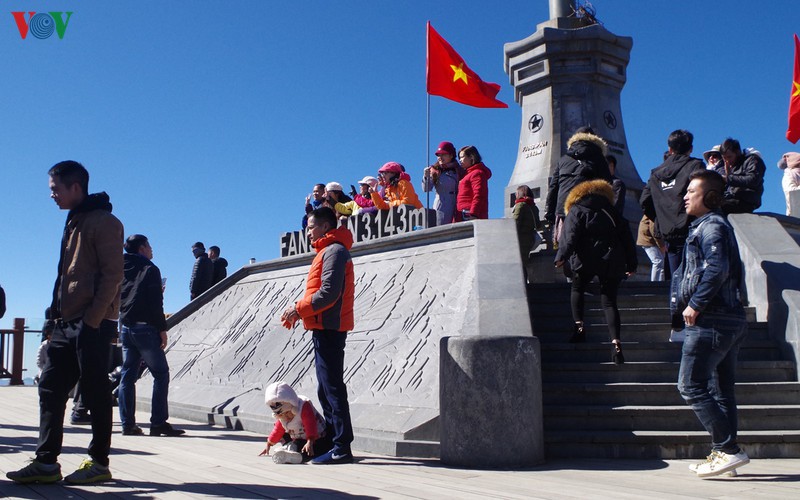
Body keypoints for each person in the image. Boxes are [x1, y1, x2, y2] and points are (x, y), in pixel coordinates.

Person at [7, 160, 123, 485]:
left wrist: (92, 319)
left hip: (93, 323)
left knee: (96, 391)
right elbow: (64, 276)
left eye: (55, 189)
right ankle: (46, 462)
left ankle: (98, 462)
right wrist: (50, 319)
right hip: (64, 322)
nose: (52, 196)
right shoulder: (74, 220)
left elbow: (113, 275)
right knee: (50, 386)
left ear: (76, 187)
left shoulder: (105, 222)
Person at [673, 170, 749, 478]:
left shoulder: (712, 226)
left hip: (712, 319)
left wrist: (695, 304)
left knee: (690, 386)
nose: (686, 196)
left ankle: (728, 450)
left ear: (711, 197)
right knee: (721, 391)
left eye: (692, 191)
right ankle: (724, 456)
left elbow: (717, 267)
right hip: (728, 319)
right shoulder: (711, 226)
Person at [280, 207, 355, 464]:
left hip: (330, 327)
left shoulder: (334, 251)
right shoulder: (327, 251)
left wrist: (297, 309)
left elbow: (328, 293)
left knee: (332, 388)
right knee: (326, 388)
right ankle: (334, 442)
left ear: (324, 227)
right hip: (324, 326)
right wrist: (300, 313)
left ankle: (342, 447)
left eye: (311, 227)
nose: (308, 232)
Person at [554, 179, 637, 364]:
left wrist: (561, 256)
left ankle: (579, 328)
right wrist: (632, 264)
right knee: (609, 302)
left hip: (586, 260)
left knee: (577, 289)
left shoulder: (577, 209)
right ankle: (616, 343)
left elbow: (570, 236)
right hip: (611, 260)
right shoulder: (612, 211)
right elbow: (627, 238)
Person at [118, 234, 185, 438]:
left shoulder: (119, 266)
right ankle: (158, 423)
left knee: (127, 375)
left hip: (126, 327)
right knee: (160, 373)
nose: (152, 250)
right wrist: (162, 329)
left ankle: (127, 424)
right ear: (142, 248)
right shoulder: (150, 269)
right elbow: (156, 303)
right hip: (146, 328)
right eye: (149, 246)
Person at [640, 129, 706, 278]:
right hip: (691, 229)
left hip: (668, 232)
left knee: (674, 280)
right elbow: (703, 194)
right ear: (691, 148)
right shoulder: (695, 166)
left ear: (670, 149)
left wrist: (660, 219)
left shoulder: (655, 173)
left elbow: (644, 200)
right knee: (693, 277)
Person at [544, 127, 611, 246]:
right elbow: (607, 186)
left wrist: (550, 213)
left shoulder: (563, 160)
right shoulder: (599, 158)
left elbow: (553, 188)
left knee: (566, 247)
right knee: (587, 248)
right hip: (589, 211)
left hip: (564, 212)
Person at [259, 381, 330, 464]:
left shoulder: (303, 407)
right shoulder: (283, 418)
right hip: (299, 438)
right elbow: (278, 429)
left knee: (316, 448)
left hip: (317, 437)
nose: (286, 418)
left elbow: (310, 424)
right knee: (284, 435)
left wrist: (310, 441)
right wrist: (269, 444)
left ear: (293, 407)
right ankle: (291, 449)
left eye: (287, 413)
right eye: (282, 416)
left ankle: (299, 455)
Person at [719, 138, 766, 215]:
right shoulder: (729, 165)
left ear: (737, 152)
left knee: (718, 208)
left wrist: (728, 178)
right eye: (724, 158)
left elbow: (753, 179)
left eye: (729, 157)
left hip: (747, 200)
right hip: (730, 198)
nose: (727, 160)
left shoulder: (752, 160)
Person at [422, 141, 463, 226]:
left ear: (451, 155)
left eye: (443, 154)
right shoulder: (435, 170)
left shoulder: (459, 170)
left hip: (458, 206)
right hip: (441, 206)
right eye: (438, 155)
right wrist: (426, 176)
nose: (440, 157)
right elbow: (426, 189)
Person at [512, 185, 542, 282]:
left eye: (516, 193)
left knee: (518, 263)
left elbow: (515, 222)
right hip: (529, 239)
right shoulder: (534, 207)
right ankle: (525, 283)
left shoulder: (520, 205)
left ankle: (521, 285)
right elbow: (538, 225)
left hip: (519, 238)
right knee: (523, 262)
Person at [456, 145, 492, 221]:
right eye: (459, 158)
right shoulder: (467, 174)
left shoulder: (477, 173)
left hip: (469, 215)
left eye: (462, 157)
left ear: (471, 157)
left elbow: (479, 195)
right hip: (462, 214)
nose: (460, 160)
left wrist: (474, 214)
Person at [637, 214, 666, 281]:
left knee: (662, 262)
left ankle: (661, 282)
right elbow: (654, 230)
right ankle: (655, 283)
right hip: (648, 239)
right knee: (658, 261)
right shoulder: (655, 211)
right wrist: (661, 246)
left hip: (650, 239)